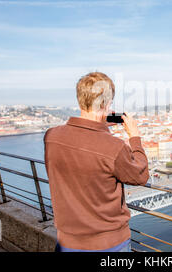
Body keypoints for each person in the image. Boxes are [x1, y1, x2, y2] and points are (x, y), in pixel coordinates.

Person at [44, 72, 149, 252]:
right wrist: (135, 137)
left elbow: (82, 151)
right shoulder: (113, 147)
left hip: (67, 242)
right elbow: (141, 175)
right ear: (105, 104)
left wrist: (98, 127)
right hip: (108, 244)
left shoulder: (51, 137)